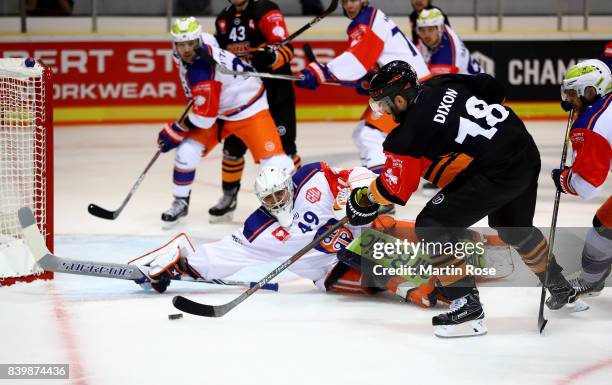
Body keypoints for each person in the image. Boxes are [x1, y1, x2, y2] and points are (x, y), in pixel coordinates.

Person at [343, 60, 584, 338]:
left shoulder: (408, 132)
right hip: (524, 150)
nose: (383, 111)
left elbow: (395, 190)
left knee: (432, 224)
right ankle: (559, 286)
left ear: (399, 98)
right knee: (513, 228)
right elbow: (494, 89)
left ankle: (467, 308)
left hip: (498, 170)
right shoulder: (440, 83)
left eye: (383, 104)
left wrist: (364, 197)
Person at [131, 162, 509, 307]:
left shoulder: (313, 179)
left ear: (290, 188)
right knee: (414, 286)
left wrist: (352, 196)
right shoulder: (259, 230)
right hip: (335, 270)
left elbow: (358, 174)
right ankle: (448, 286)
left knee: (393, 230)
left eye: (280, 193)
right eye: (269, 198)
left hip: (365, 233)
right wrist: (182, 266)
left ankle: (479, 243)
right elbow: (228, 254)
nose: (276, 200)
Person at [295, 0, 431, 213]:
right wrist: (367, 81)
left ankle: (383, 196)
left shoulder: (364, 22)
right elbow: (371, 62)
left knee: (370, 134)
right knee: (368, 134)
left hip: (408, 89)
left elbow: (358, 60)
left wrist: (321, 72)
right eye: (345, 1)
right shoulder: (373, 18)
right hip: (408, 84)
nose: (349, 5)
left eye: (354, 0)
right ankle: (384, 189)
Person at [159, 17, 294, 227]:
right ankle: (180, 202)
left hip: (249, 108)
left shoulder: (202, 69)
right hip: (219, 111)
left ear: (198, 42)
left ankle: (292, 207)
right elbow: (206, 108)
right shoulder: (202, 41)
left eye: (190, 44)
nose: (186, 49)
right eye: (181, 44)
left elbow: (204, 119)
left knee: (278, 164)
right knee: (186, 153)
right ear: (174, 43)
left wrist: (176, 130)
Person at [211, 0, 301, 223]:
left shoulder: (266, 10)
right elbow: (218, 56)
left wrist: (272, 58)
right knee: (232, 148)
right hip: (243, 96)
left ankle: (299, 196)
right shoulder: (223, 19)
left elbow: (287, 49)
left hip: (274, 93)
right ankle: (228, 196)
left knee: (284, 151)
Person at [554, 59, 611, 297]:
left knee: (602, 229)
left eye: (572, 94)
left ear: (590, 91)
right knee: (605, 222)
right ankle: (592, 279)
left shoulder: (590, 124)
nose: (568, 101)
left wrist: (565, 179)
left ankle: (590, 280)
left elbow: (587, 186)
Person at [416, 8, 481, 77]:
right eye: (422, 30)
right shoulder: (441, 32)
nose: (426, 35)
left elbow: (438, 84)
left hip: (475, 85)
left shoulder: (449, 52)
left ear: (440, 29)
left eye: (430, 29)